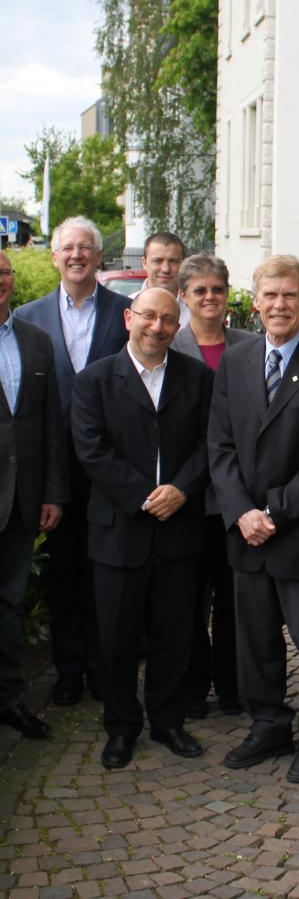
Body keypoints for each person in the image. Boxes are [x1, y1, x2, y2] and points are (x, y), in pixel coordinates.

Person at [209, 255, 299, 784]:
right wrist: (242, 512)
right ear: (256, 300)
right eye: (269, 295)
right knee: (255, 641)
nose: (279, 305)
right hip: (246, 532)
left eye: (289, 296)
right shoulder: (236, 361)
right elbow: (219, 446)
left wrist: (272, 511)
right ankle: (269, 724)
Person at [71, 288, 214, 770]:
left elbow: (209, 442)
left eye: (168, 320)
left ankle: (169, 721)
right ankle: (121, 726)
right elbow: (90, 449)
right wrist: (142, 495)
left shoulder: (196, 377)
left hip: (179, 525)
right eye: (149, 316)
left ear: (178, 327)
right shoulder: (94, 380)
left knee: (175, 632)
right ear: (129, 318)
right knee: (117, 635)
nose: (157, 326)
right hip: (119, 528)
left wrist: (182, 489)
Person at [16, 216, 130, 707]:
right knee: (63, 576)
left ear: (99, 256)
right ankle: (68, 669)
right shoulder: (28, 317)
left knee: (107, 577)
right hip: (53, 473)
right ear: (54, 256)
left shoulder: (127, 313)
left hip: (111, 469)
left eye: (86, 247)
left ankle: (106, 670)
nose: (77, 255)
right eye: (68, 248)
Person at [173, 254, 258, 719]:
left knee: (232, 599)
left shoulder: (250, 344)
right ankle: (193, 684)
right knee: (188, 598)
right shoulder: (171, 344)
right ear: (184, 296)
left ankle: (232, 684)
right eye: (199, 290)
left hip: (237, 498)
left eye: (217, 289)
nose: (209, 297)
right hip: (189, 498)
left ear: (228, 294)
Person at [0, 251, 69, 739]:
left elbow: (49, 424)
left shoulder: (35, 340)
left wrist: (52, 492)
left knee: (10, 604)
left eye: (3, 272)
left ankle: (9, 699)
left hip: (22, 502)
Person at [133, 231, 191, 327]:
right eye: (157, 261)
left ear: (183, 264)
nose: (166, 269)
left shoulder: (196, 310)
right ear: (144, 263)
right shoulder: (128, 305)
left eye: (173, 261)